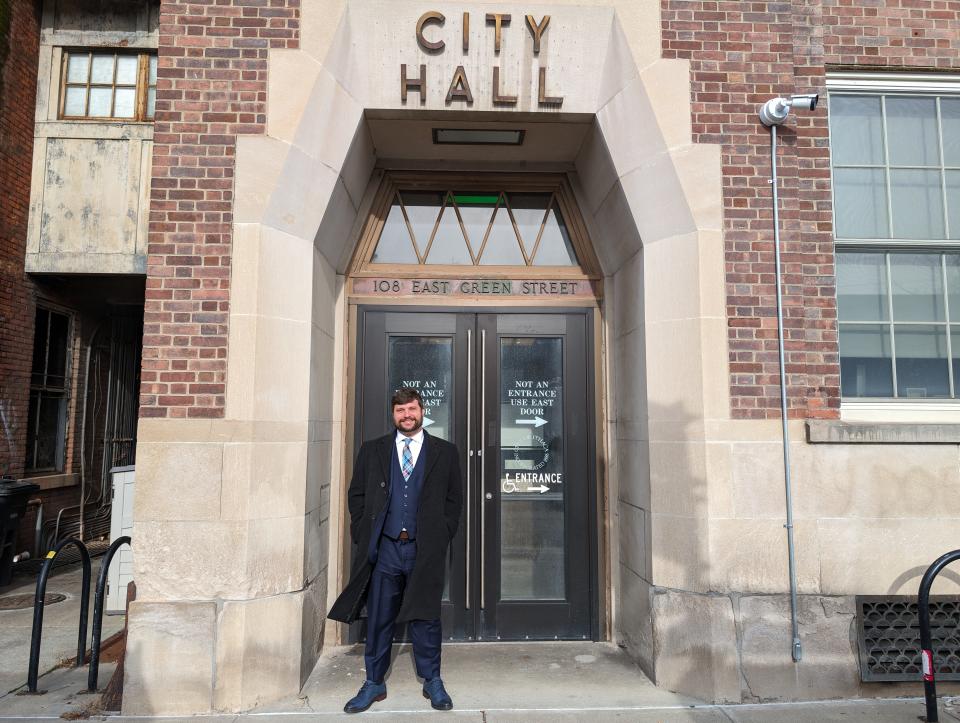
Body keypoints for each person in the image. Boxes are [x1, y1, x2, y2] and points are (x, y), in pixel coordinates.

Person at [328, 387, 463, 714]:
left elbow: (453, 501)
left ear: (422, 411)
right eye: (400, 410)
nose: (407, 415)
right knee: (378, 618)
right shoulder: (373, 450)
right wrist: (362, 532)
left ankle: (432, 680)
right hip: (386, 549)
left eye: (412, 409)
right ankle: (374, 682)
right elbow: (356, 495)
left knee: (426, 617)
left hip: (424, 549)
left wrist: (441, 535)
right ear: (393, 414)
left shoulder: (444, 452)